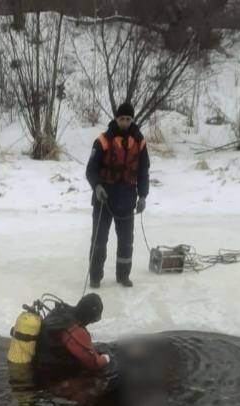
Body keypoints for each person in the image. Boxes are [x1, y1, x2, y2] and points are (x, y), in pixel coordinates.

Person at [85, 102, 150, 288]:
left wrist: (143, 195)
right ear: (116, 118)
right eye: (122, 119)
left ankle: (123, 276)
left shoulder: (139, 141)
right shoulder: (103, 140)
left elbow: (144, 171)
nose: (125, 122)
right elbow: (91, 170)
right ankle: (95, 277)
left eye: (128, 119)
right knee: (99, 241)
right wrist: (97, 186)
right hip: (104, 197)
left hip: (127, 198)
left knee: (126, 241)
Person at [32, 293, 110, 384]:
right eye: (94, 319)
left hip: (40, 359)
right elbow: (94, 364)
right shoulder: (73, 330)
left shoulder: (62, 310)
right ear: (90, 315)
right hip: (51, 375)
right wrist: (106, 358)